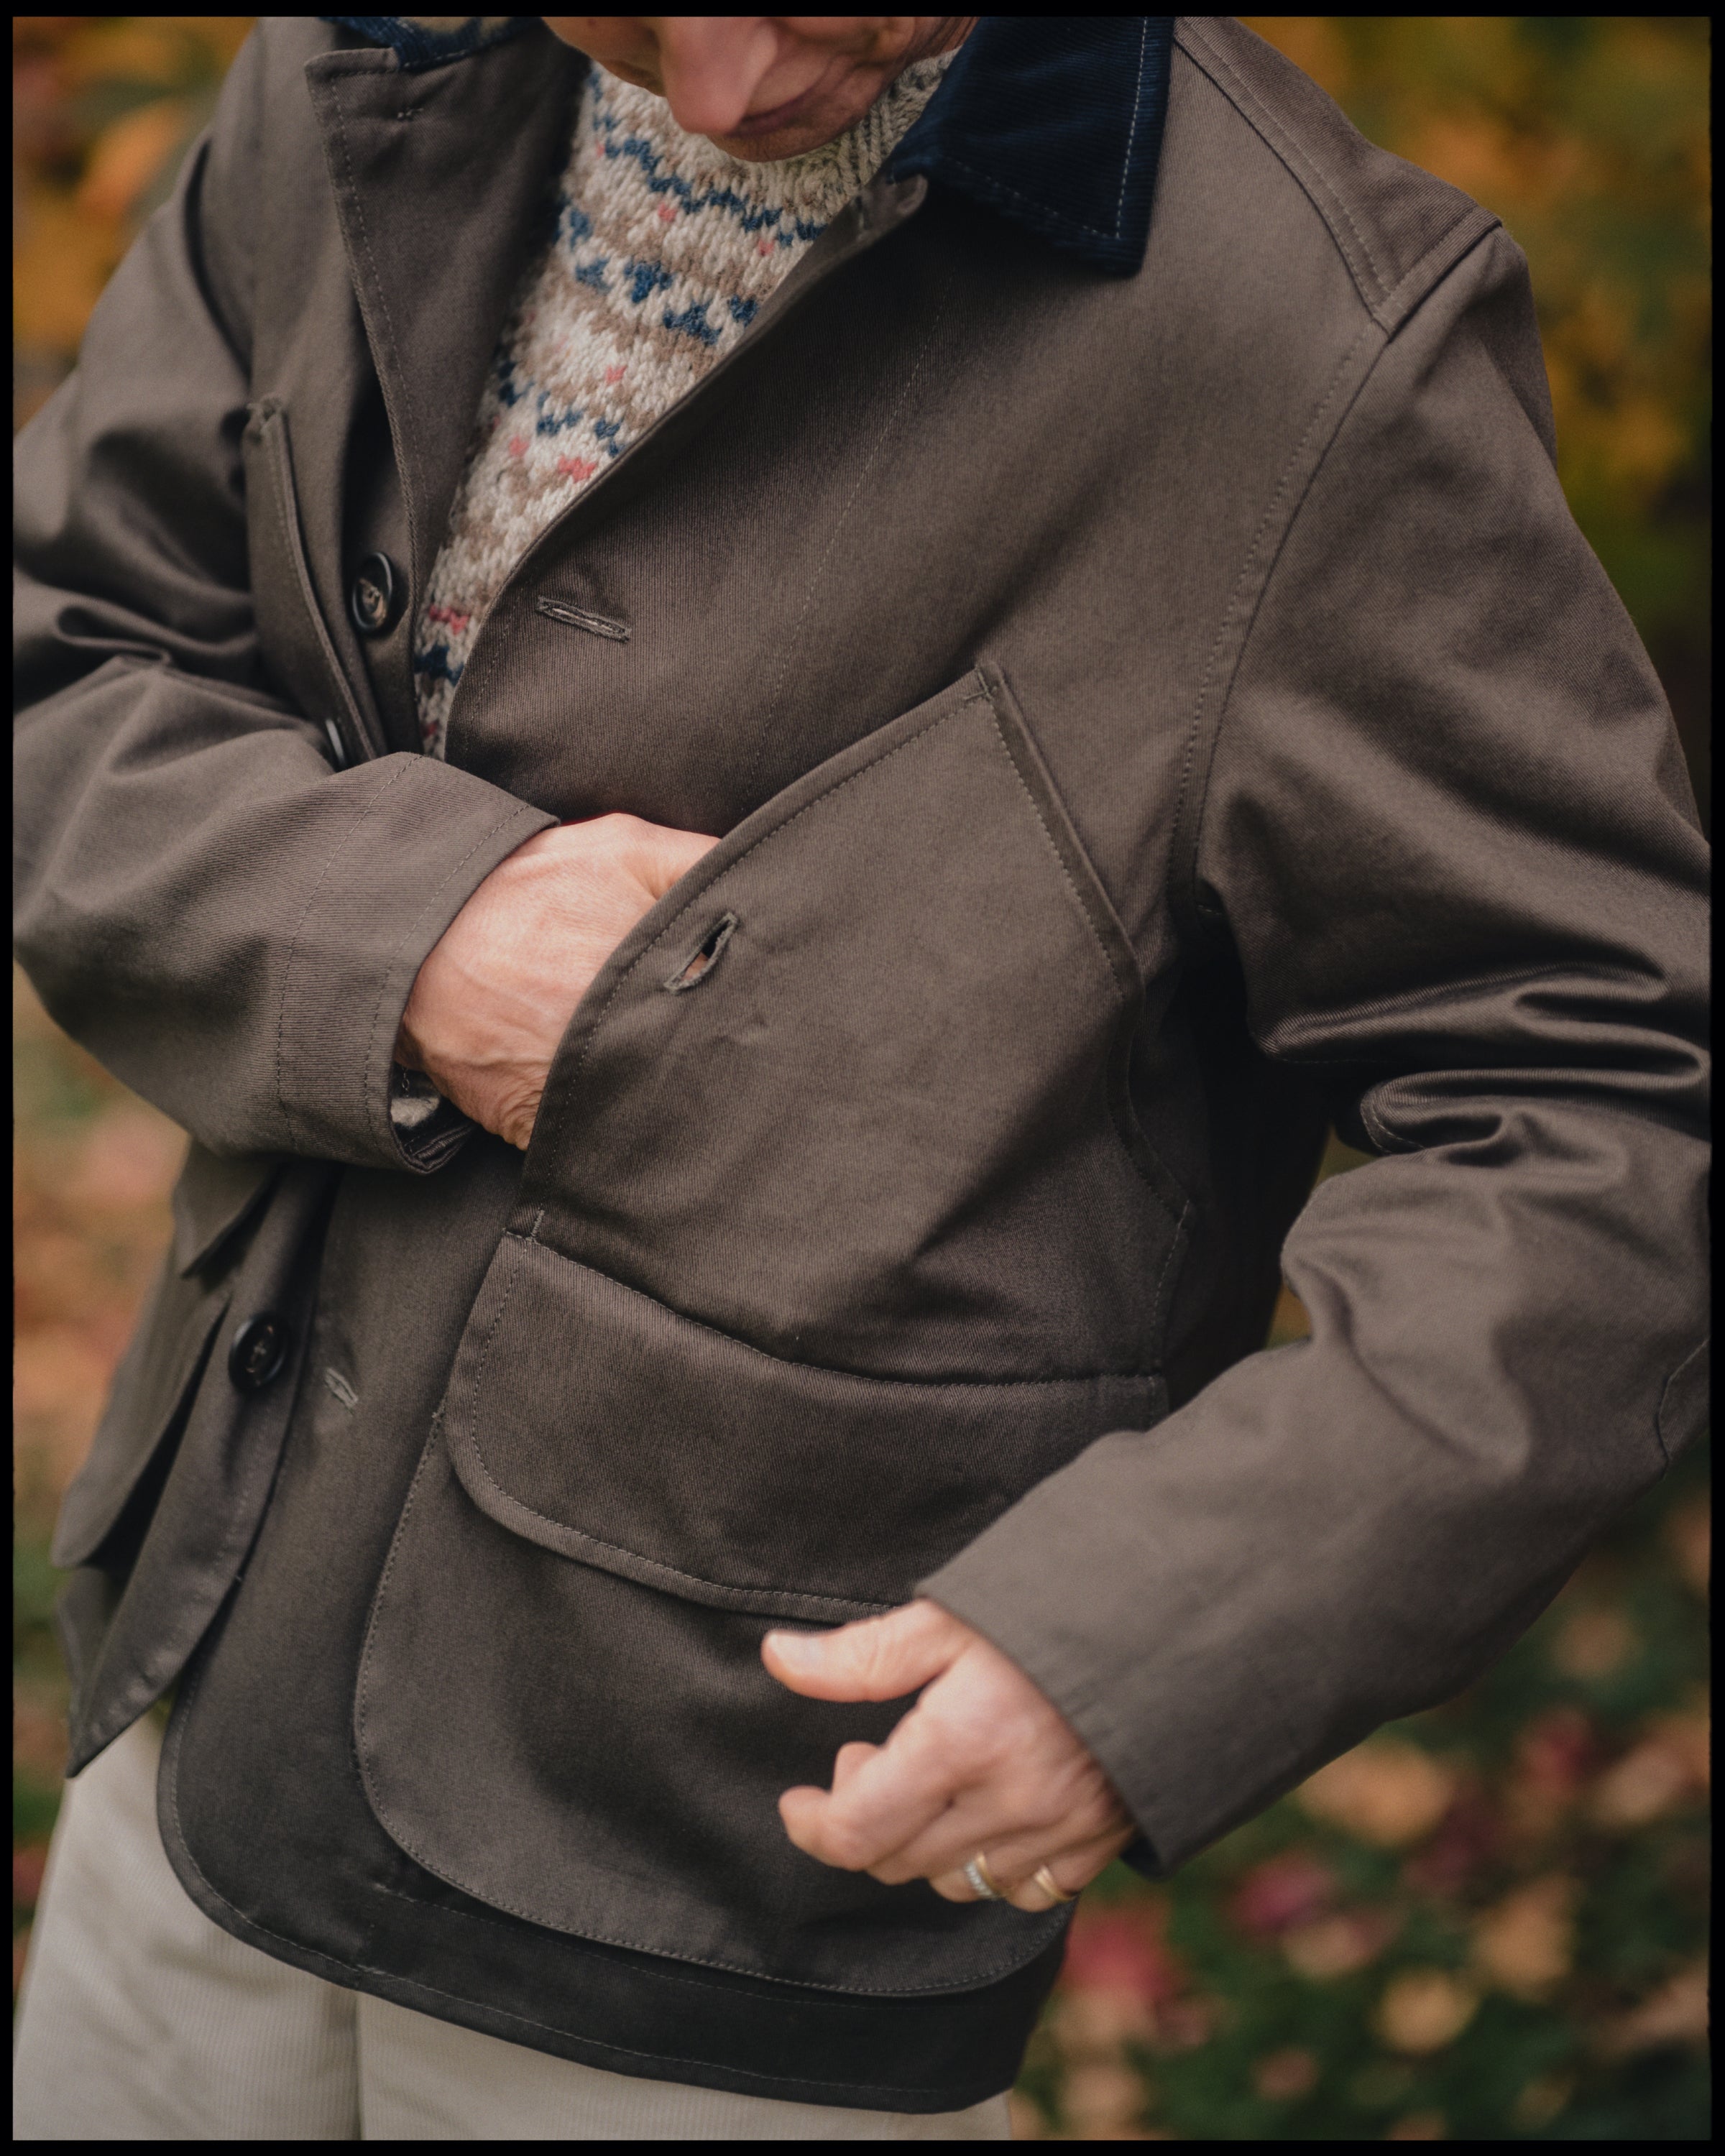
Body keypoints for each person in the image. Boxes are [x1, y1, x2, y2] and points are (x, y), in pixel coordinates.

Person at [12, 12, 1708, 2140]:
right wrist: (412, 939)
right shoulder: (354, 69)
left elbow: (1609, 1112)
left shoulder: (1314, 342)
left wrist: (1151, 1634)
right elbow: (72, 655)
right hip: (191, 1741)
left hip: (738, 1892)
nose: (716, 81)